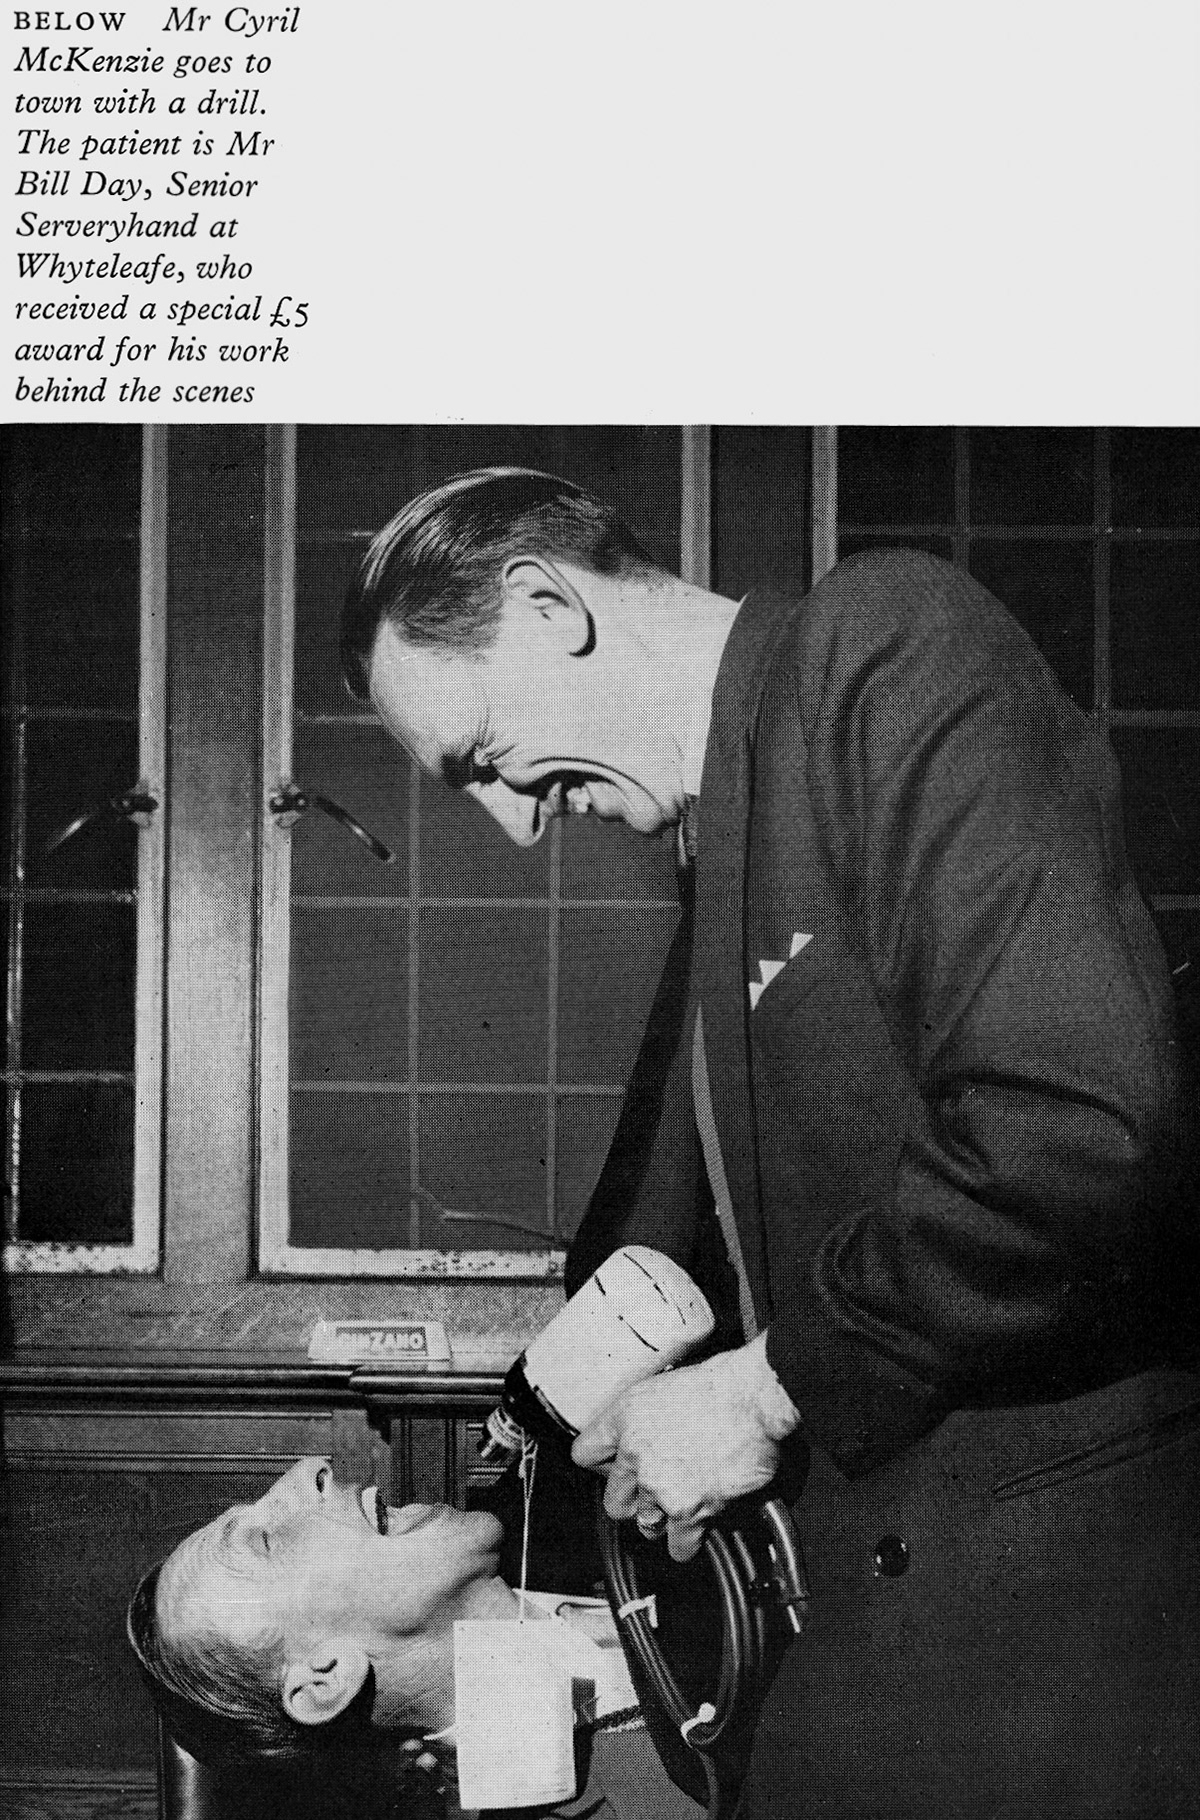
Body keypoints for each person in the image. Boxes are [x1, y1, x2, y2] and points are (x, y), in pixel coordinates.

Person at [341, 468, 1200, 1819]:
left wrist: (764, 1393)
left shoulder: (880, 643)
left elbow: (1076, 1122)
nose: (512, 820)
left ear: (549, 606)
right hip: (886, 1625)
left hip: (1053, 1643)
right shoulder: (728, 829)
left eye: (481, 754)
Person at [127, 1455, 702, 1819]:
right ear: (326, 1675)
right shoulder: (638, 1806)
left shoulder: (580, 1481)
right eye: (265, 1543)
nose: (308, 1468)